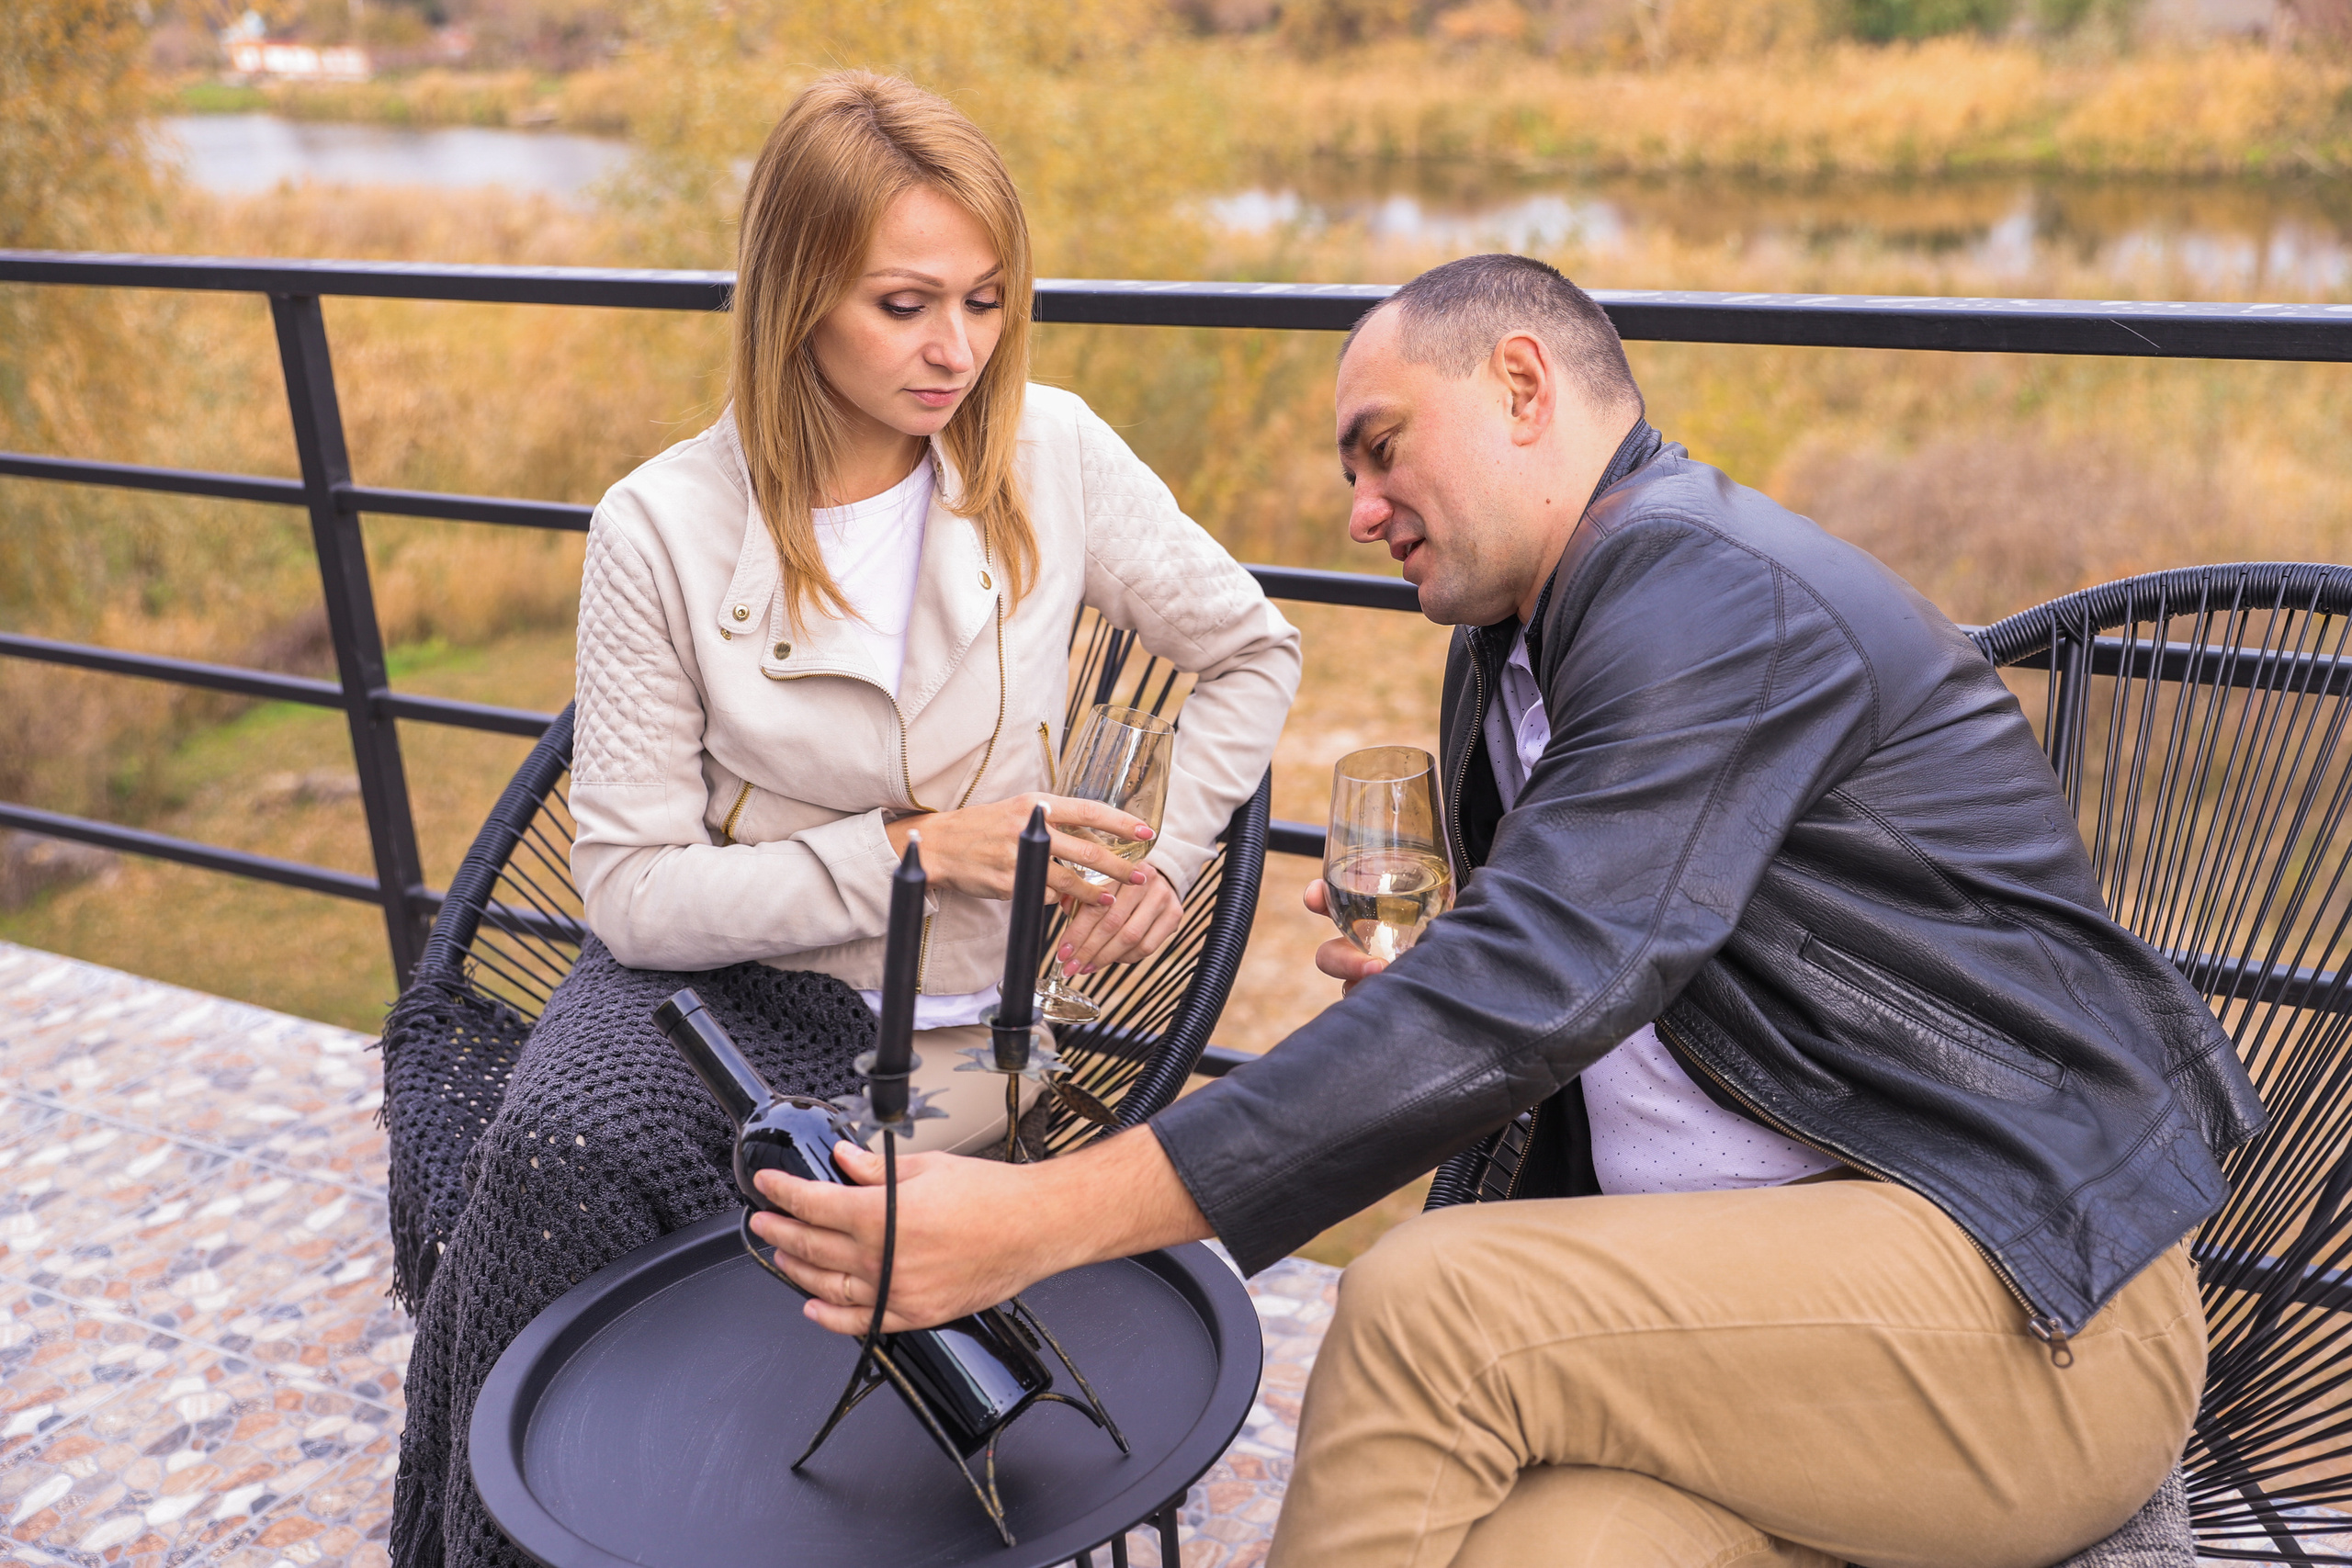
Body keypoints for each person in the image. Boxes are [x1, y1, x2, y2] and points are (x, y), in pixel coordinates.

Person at [747, 254, 2267, 1568]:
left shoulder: (1711, 594)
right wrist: (1431, 1018)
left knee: (1424, 1303)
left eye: (1383, 447)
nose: (1359, 510)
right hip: (1774, 1328)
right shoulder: (1524, 647)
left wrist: (1037, 1221)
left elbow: (1536, 980)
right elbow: (1556, 993)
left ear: (1524, 385)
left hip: (2028, 1309)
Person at [389, 73, 1298, 1568]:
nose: (958, 349)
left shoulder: (1050, 453)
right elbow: (626, 891)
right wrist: (894, 856)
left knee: (627, 1193)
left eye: (989, 299)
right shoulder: (662, 528)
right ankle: (491, 1536)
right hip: (720, 991)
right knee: (557, 1148)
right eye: (905, 304)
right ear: (799, 295)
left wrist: (1170, 856)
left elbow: (1252, 649)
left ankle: (651, 1502)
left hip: (959, 1038)